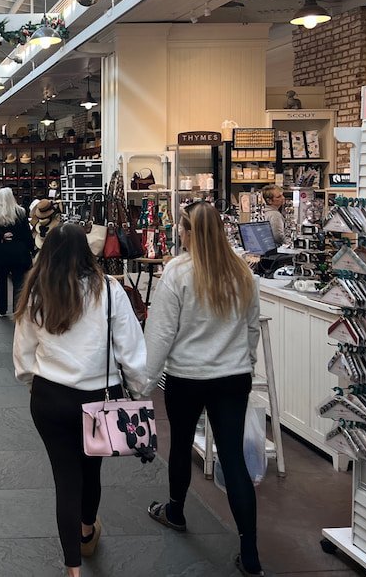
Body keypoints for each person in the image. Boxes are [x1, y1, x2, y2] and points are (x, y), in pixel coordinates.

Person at [13, 224, 147, 577]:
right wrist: (138, 386)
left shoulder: (37, 291)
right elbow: (130, 347)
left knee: (65, 478)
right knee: (91, 469)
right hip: (98, 396)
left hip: (50, 396)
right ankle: (87, 528)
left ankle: (72, 568)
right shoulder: (109, 290)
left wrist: (31, 381)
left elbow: (24, 351)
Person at [143, 201, 263, 577]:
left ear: (190, 231)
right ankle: (250, 552)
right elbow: (251, 327)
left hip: (187, 377)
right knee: (233, 460)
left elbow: (161, 334)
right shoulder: (243, 272)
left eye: (182, 228)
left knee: (180, 444)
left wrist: (142, 383)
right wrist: (247, 362)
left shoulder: (177, 273)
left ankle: (176, 510)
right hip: (232, 377)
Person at [0, 187, 34, 317]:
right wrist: (31, 249)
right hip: (19, 251)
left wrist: (0, 235)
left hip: (0, 251)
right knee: (18, 281)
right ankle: (17, 309)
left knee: (1, 280)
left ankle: (1, 309)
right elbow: (27, 234)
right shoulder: (20, 212)